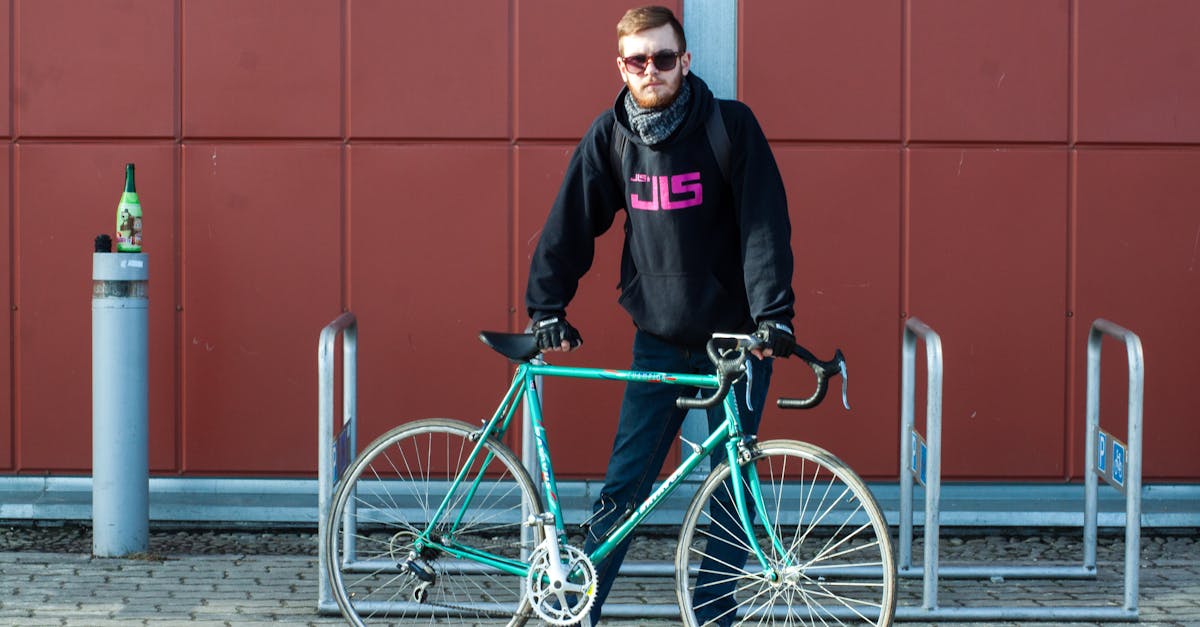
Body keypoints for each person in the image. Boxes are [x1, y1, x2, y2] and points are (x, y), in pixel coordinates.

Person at [524, 6, 796, 625]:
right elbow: (570, 225)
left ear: (686, 62)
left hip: (735, 342)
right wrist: (547, 306)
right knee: (626, 487)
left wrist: (773, 316)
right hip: (659, 340)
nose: (652, 70)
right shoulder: (612, 136)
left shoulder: (730, 128)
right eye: (639, 60)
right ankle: (575, 609)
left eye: (664, 58)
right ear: (621, 67)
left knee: (736, 491)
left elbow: (764, 228)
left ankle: (712, 612)